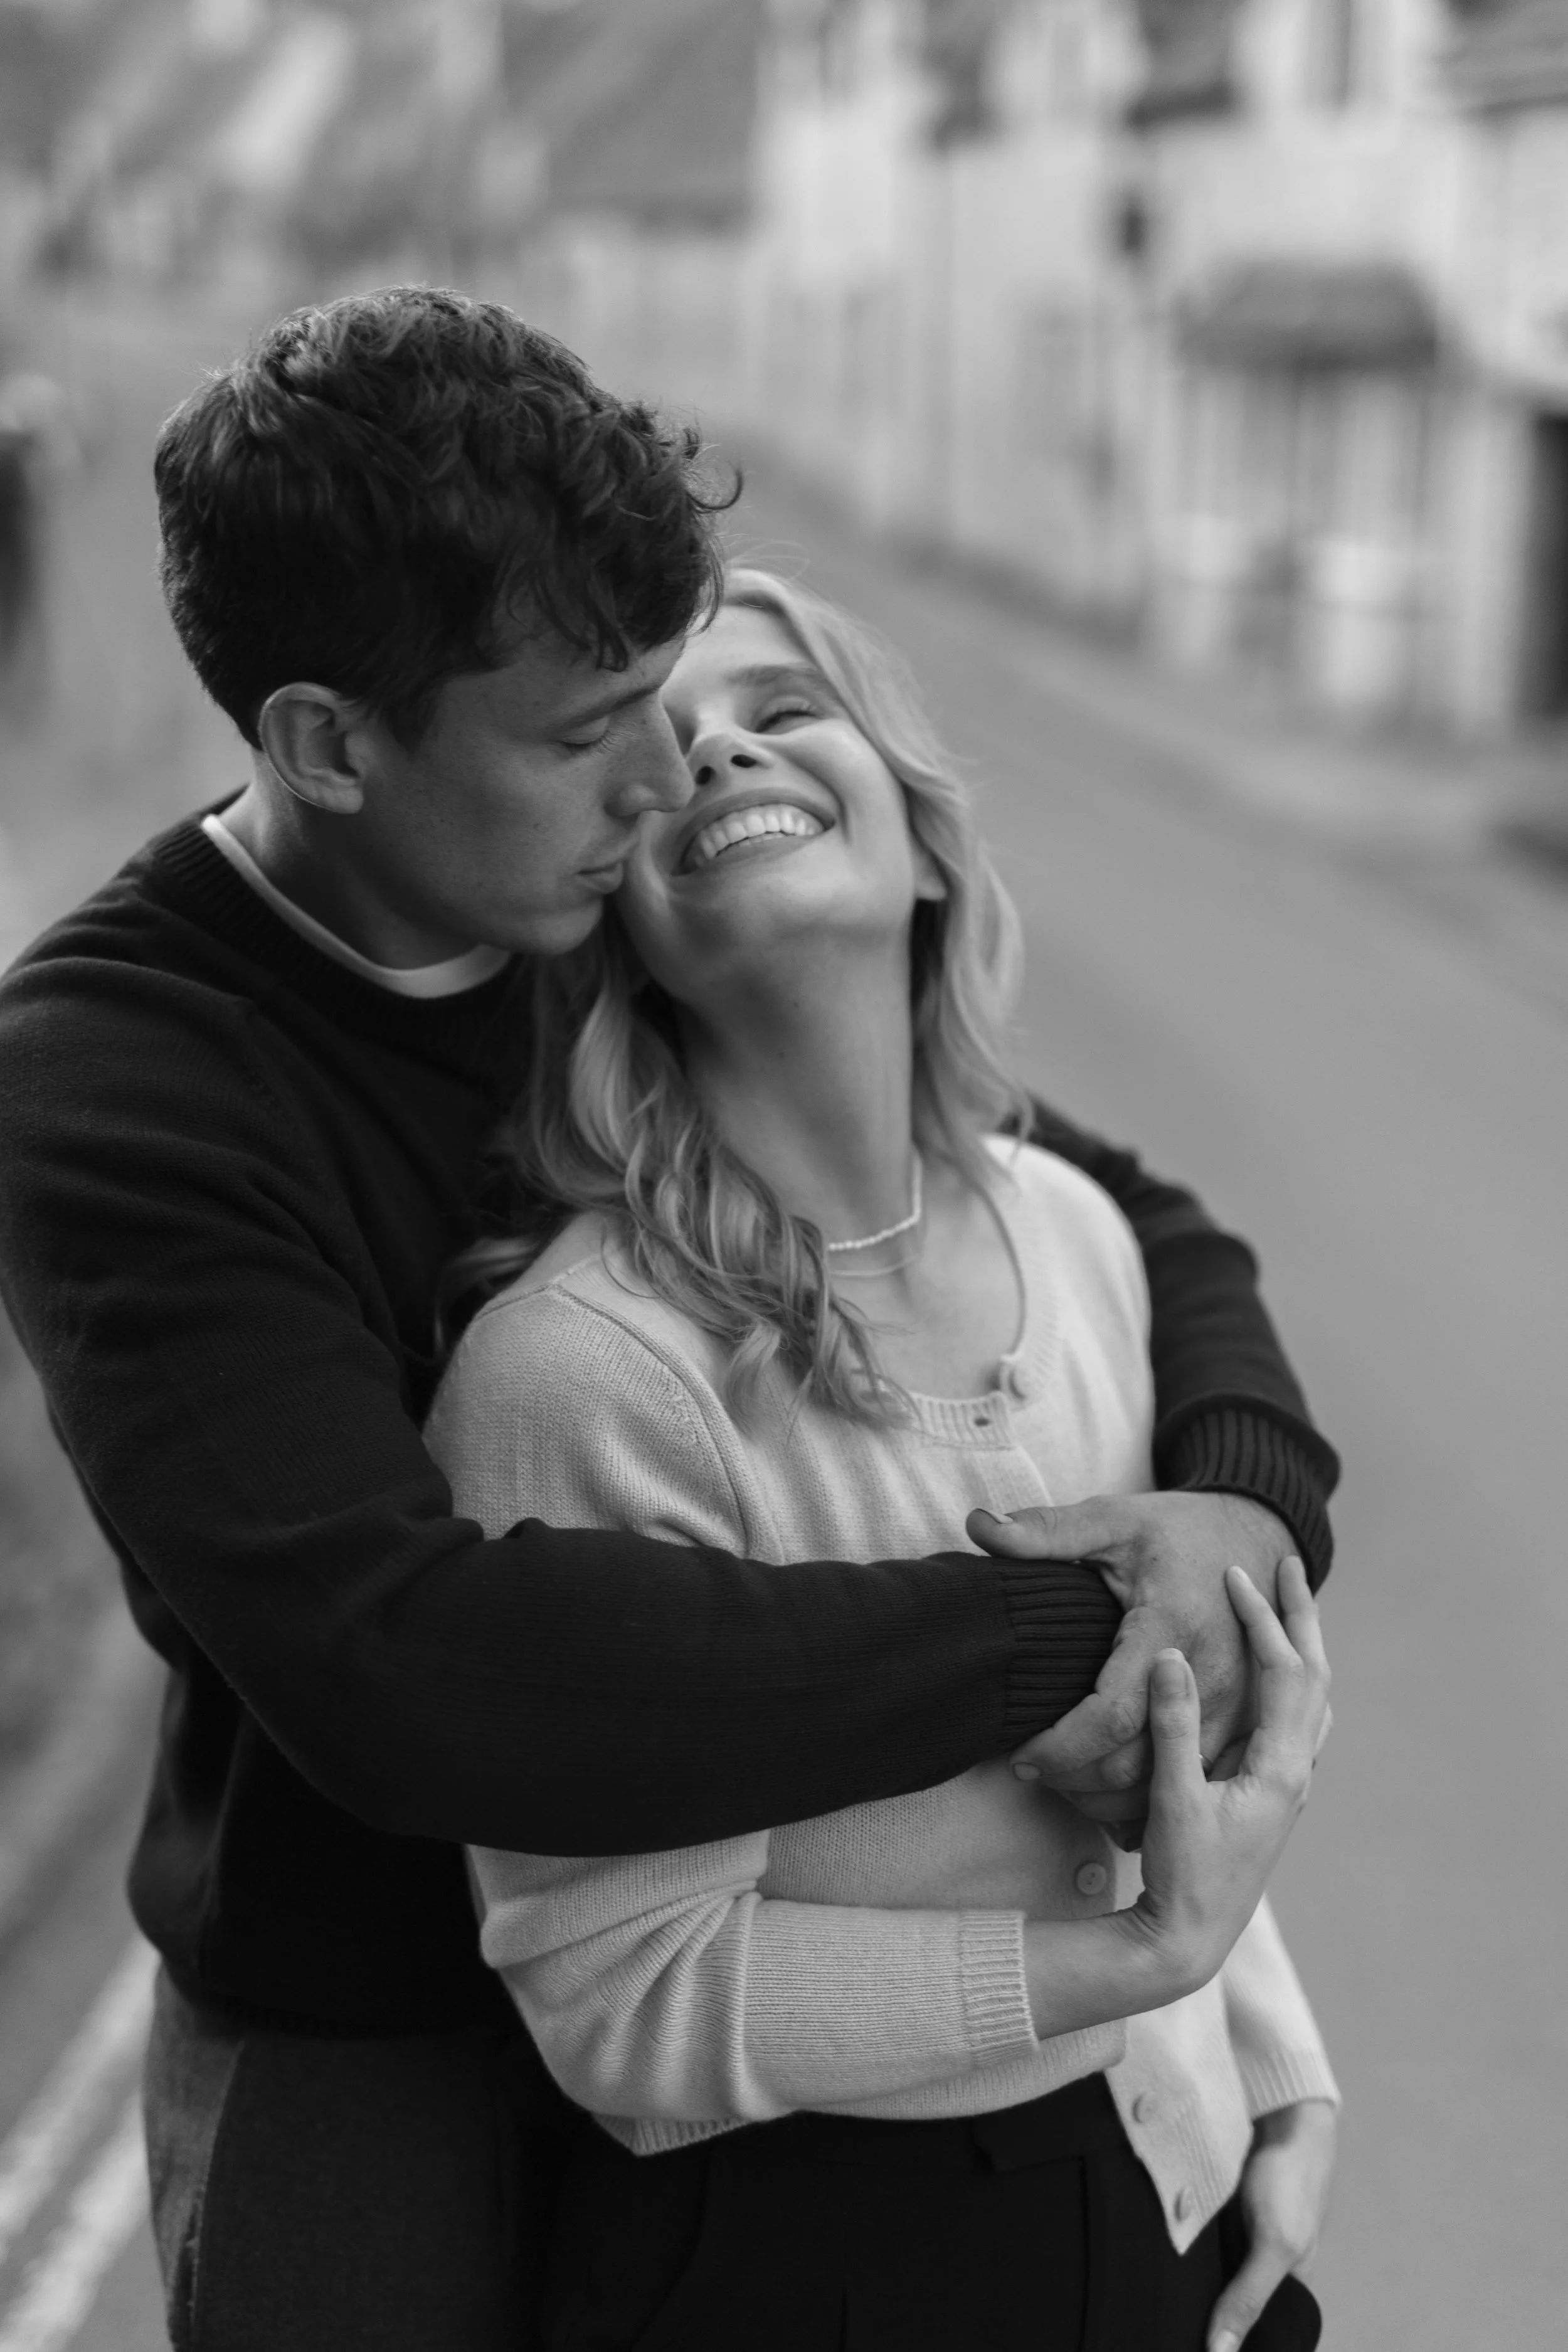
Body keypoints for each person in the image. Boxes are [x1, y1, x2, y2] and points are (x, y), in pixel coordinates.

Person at [0, 289, 1337, 2351]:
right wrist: (1066, 1628)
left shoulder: (607, 906)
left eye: (671, 687)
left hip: (804, 1960)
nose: (663, 773)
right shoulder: (119, 1081)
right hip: (386, 2015)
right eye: (576, 728)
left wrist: (1231, 1526)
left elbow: (1099, 1207)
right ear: (323, 747)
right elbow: (412, 1665)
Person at [427, 569, 1338, 2351]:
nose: (721, 744)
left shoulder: (1073, 1232)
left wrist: (1268, 2064)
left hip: (1168, 2181)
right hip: (801, 2261)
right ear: (614, 916)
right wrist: (1138, 1963)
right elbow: (624, 2006)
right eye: (657, 738)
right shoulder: (580, 1372)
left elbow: (1182, 1747)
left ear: (923, 843)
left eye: (787, 702)